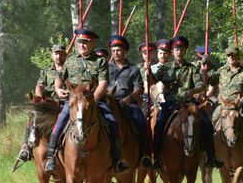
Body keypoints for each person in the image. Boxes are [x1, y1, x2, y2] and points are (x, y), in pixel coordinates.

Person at [44, 29, 130, 174]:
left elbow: (103, 83)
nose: (82, 45)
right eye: (80, 42)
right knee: (59, 123)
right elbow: (59, 78)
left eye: (86, 42)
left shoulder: (100, 61)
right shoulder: (70, 60)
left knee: (113, 122)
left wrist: (93, 100)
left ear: (92, 43)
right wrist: (58, 90)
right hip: (74, 102)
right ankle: (51, 157)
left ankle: (117, 159)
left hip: (96, 102)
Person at [150, 35, 222, 170]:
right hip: (171, 103)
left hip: (189, 103)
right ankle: (157, 157)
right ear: (172, 51)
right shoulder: (165, 68)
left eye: (181, 48)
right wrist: (148, 68)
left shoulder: (192, 68)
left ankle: (211, 156)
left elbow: (202, 86)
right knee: (159, 124)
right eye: (176, 49)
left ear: (185, 50)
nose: (179, 51)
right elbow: (152, 80)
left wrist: (192, 91)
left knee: (206, 121)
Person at [15, 44, 67, 164]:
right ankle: (26, 147)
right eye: (56, 53)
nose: (58, 56)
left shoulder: (70, 68)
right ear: (52, 55)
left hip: (65, 102)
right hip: (48, 103)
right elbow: (39, 85)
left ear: (65, 55)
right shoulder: (46, 70)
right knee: (33, 115)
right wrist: (38, 97)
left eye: (61, 53)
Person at [108, 35, 152, 168]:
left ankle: (144, 154)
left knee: (141, 121)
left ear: (125, 51)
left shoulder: (133, 69)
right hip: (109, 103)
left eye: (119, 50)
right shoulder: (106, 67)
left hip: (127, 104)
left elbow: (139, 87)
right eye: (114, 50)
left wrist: (129, 98)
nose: (116, 53)